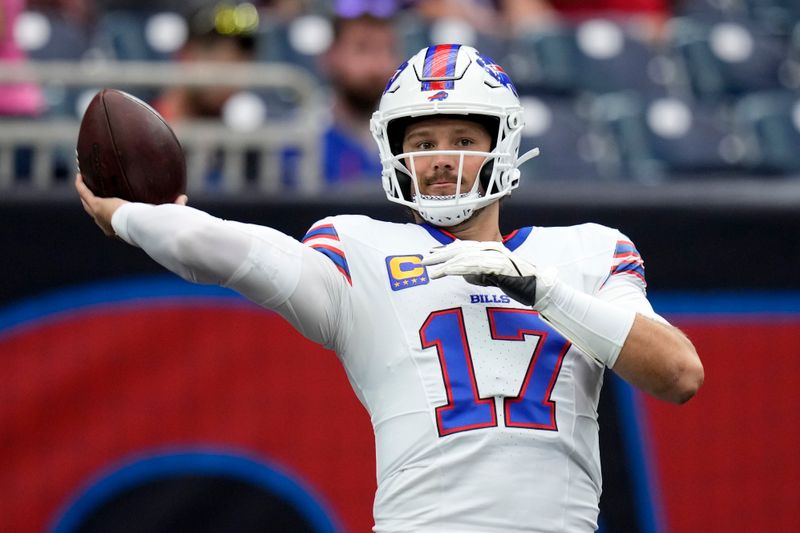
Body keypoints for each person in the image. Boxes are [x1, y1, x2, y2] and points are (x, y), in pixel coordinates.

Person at [76, 44, 703, 532]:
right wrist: (130, 216)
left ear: (502, 146)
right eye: (423, 142)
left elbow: (679, 375)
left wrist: (544, 291)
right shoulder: (363, 251)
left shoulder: (586, 252)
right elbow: (236, 253)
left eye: (462, 140)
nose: (440, 160)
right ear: (393, 152)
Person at [318, 12, 401, 185]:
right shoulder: (301, 141)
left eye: (387, 50)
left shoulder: (409, 138)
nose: (377, 66)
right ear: (331, 56)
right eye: (362, 49)